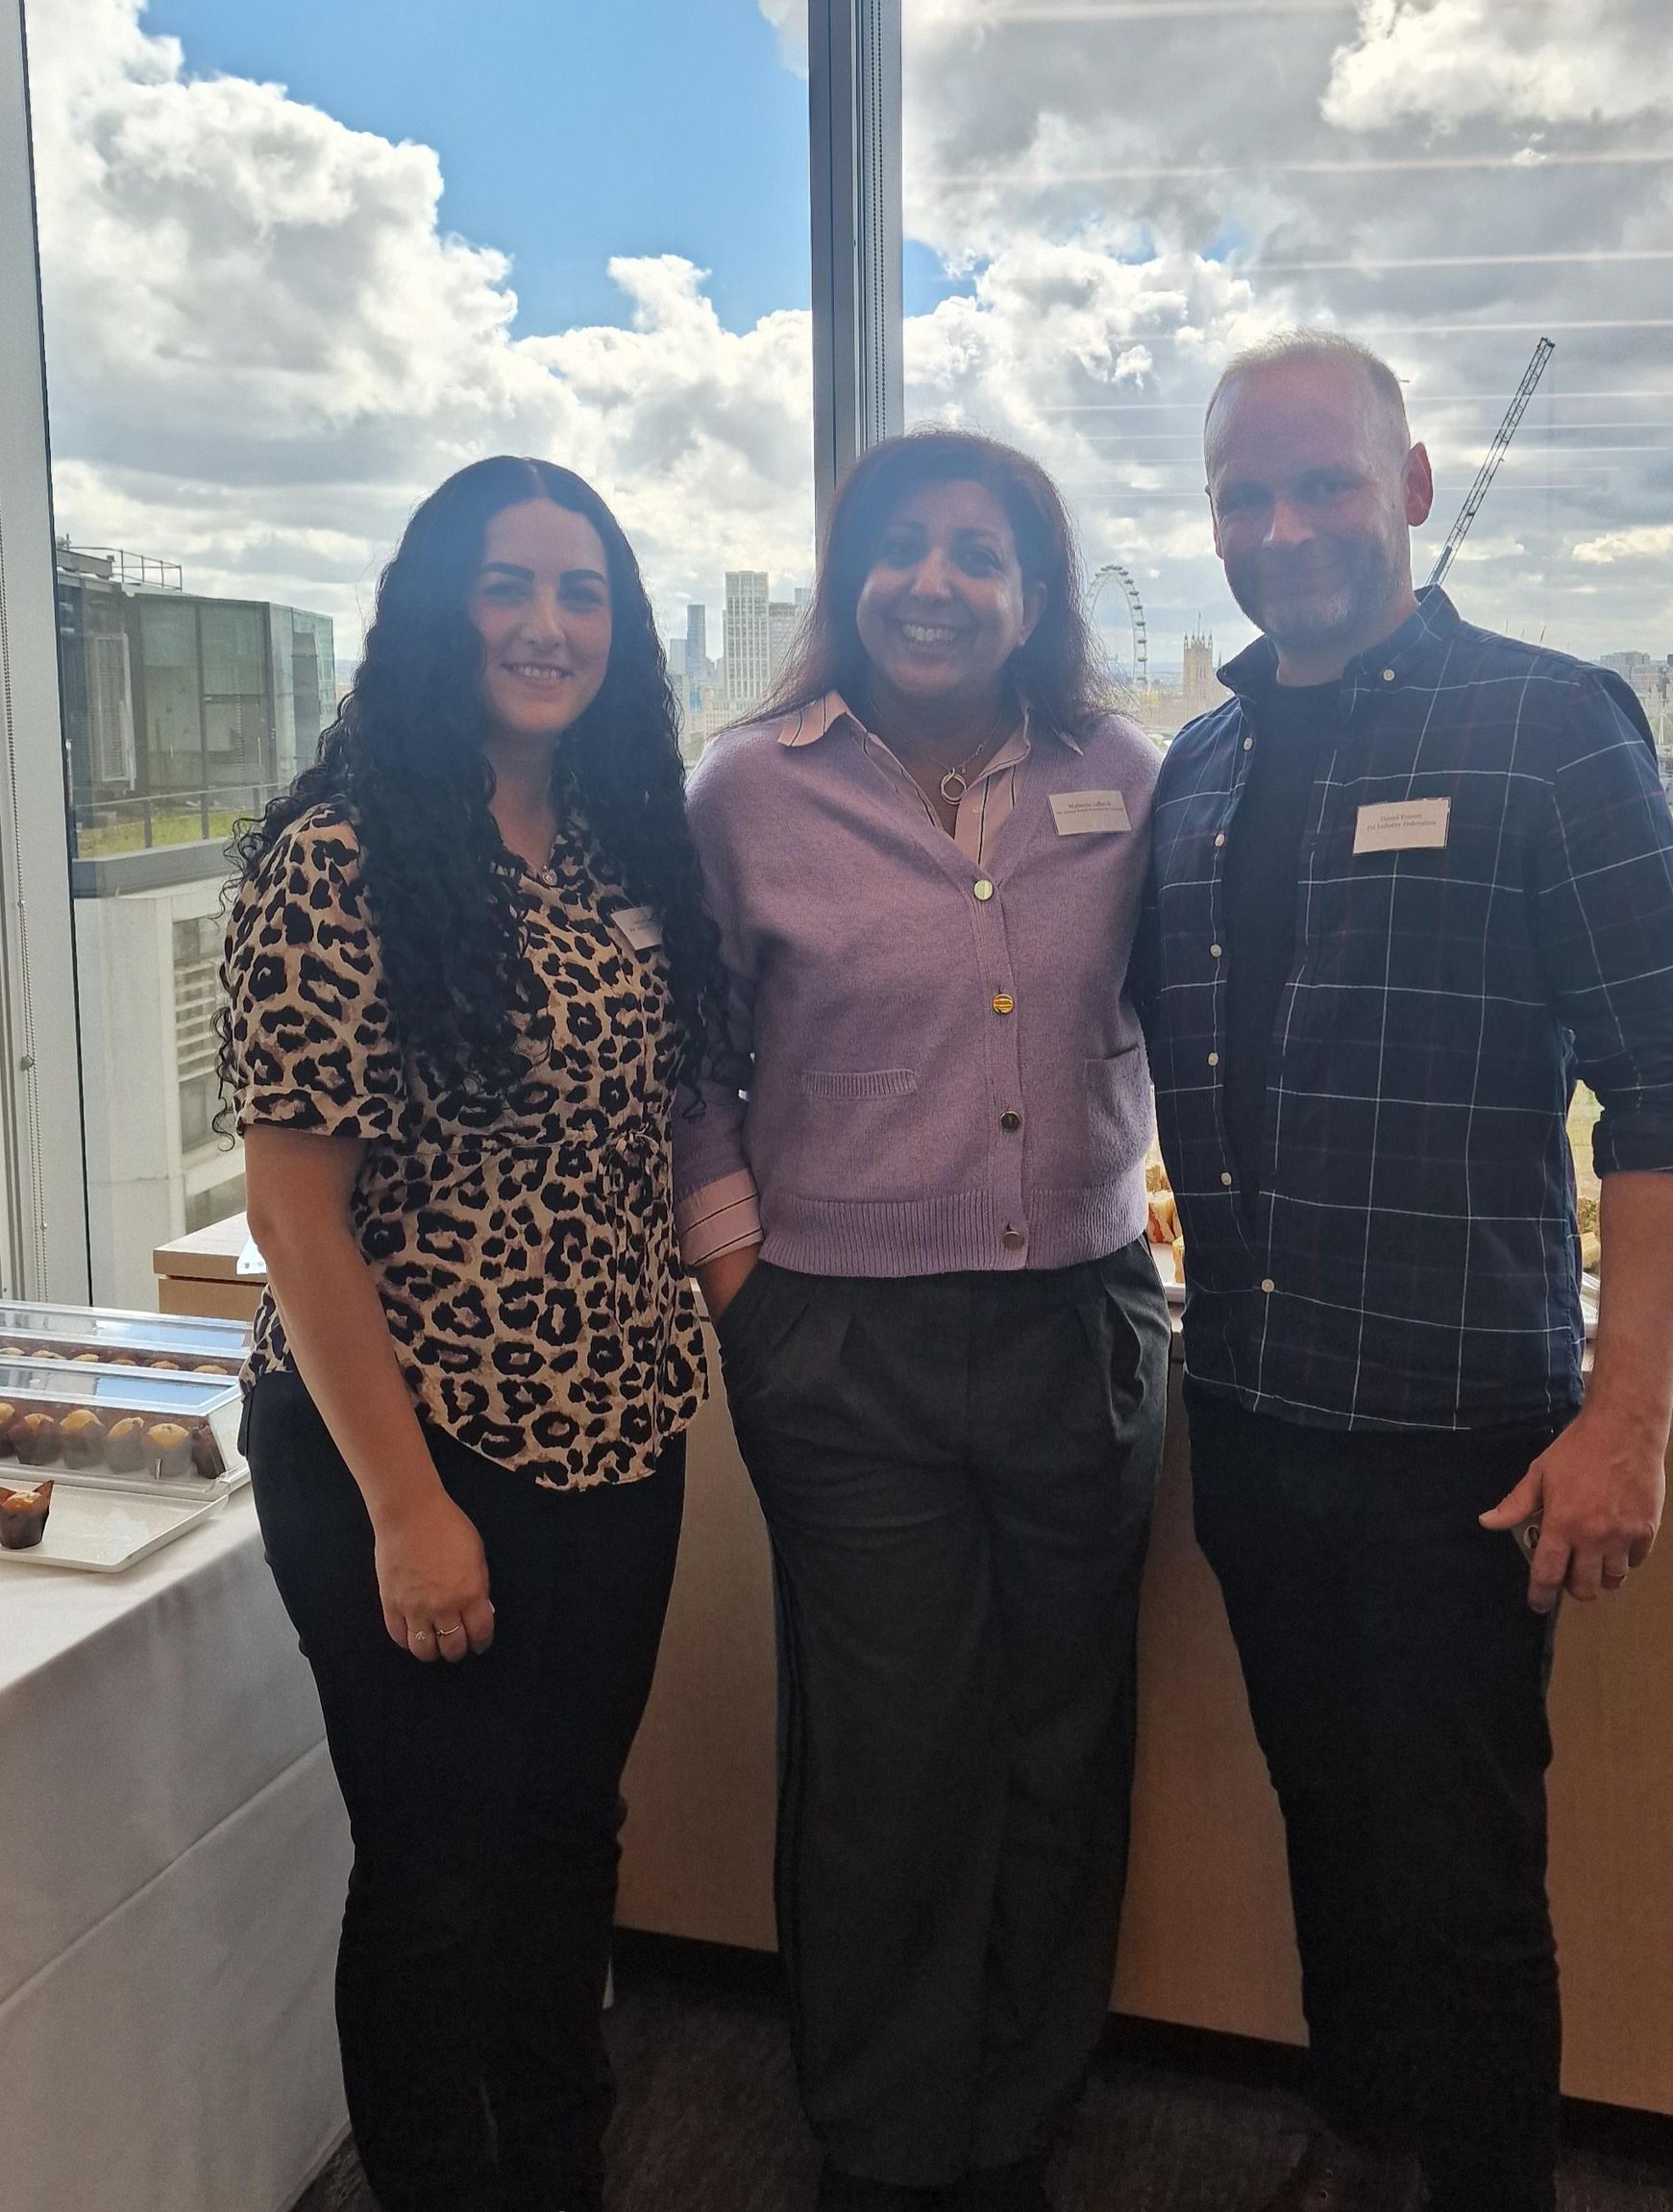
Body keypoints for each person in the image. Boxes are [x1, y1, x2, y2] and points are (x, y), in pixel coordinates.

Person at [1140, 333, 1673, 2212]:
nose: (1285, 523)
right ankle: (1368, 2142)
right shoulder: (1205, 762)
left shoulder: (1551, 722)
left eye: (1324, 480)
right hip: (1243, 1415)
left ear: (1410, 487)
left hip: (1458, 1442)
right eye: (1246, 491)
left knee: (1467, 1884)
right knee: (1328, 1830)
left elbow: (1666, 1092)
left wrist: (1628, 1419)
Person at [220, 455, 729, 2212]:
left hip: (614, 1427)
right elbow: (295, 1217)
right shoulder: (338, 855)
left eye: (582, 591)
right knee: (434, 1873)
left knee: (567, 1840)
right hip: (405, 1440)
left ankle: (562, 2180)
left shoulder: (613, 830)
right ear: (437, 609)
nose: (545, 623)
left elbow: (660, 1128)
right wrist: (408, 1507)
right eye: (506, 585)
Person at [675, 430, 1169, 2212]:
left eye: (982, 553)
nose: (938, 582)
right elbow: (687, 1058)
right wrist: (745, 1278)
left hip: (1082, 1325)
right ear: (848, 575)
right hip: (844, 1339)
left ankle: (1019, 2123)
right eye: (904, 546)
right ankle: (882, 2143)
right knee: (886, 1758)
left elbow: (1188, 1014)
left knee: (1061, 1741)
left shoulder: (1126, 771)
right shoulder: (747, 789)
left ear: (1035, 596)